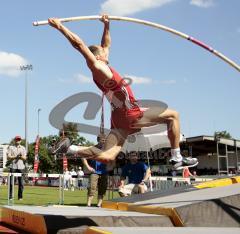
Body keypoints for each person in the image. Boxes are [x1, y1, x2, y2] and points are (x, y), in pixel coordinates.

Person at [48, 15, 198, 170]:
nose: (107, 52)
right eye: (103, 52)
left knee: (107, 156)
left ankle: (71, 149)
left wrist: (106, 25)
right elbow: (79, 44)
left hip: (118, 117)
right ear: (97, 56)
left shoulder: (102, 66)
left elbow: (106, 44)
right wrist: (60, 27)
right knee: (173, 115)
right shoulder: (98, 67)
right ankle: (176, 157)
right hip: (129, 111)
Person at [82, 134, 109, 207]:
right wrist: (88, 167)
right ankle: (88, 204)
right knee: (91, 188)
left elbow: (113, 158)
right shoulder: (92, 148)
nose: (104, 142)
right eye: (102, 140)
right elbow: (83, 156)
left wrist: (111, 166)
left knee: (102, 189)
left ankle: (99, 205)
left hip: (104, 172)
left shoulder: (107, 149)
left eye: (105, 140)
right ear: (98, 140)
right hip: (94, 172)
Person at [7, 136, 27, 200]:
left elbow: (25, 158)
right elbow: (8, 157)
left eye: (19, 139)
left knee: (21, 183)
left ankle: (20, 197)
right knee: (11, 183)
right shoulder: (11, 147)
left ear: (20, 140)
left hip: (21, 167)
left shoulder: (23, 148)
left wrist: (21, 156)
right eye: (17, 139)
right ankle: (10, 196)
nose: (18, 140)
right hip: (13, 166)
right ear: (14, 140)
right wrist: (16, 156)